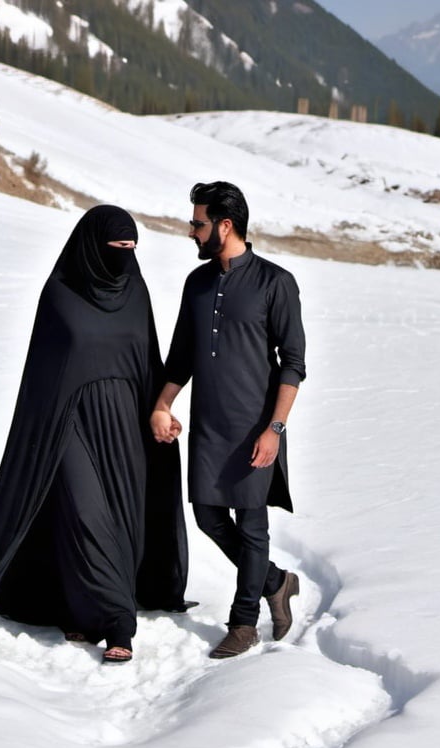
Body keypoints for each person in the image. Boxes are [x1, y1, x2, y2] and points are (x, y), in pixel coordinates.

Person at [0, 205, 188, 664]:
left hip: (124, 424)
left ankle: (78, 606)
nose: (125, 255)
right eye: (117, 247)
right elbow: (44, 373)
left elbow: (147, 362)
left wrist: (161, 410)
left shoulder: (136, 292)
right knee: (87, 513)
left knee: (123, 520)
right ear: (92, 247)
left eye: (132, 248)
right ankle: (118, 622)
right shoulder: (60, 294)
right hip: (69, 422)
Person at [150, 182, 306, 659]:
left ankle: (244, 623)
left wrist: (274, 429)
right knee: (207, 516)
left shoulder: (275, 282)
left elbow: (293, 363)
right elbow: (181, 356)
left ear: (224, 225)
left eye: (198, 223)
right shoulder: (196, 284)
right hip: (209, 427)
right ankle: (276, 582)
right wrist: (163, 404)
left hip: (256, 428)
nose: (191, 232)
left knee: (253, 526)